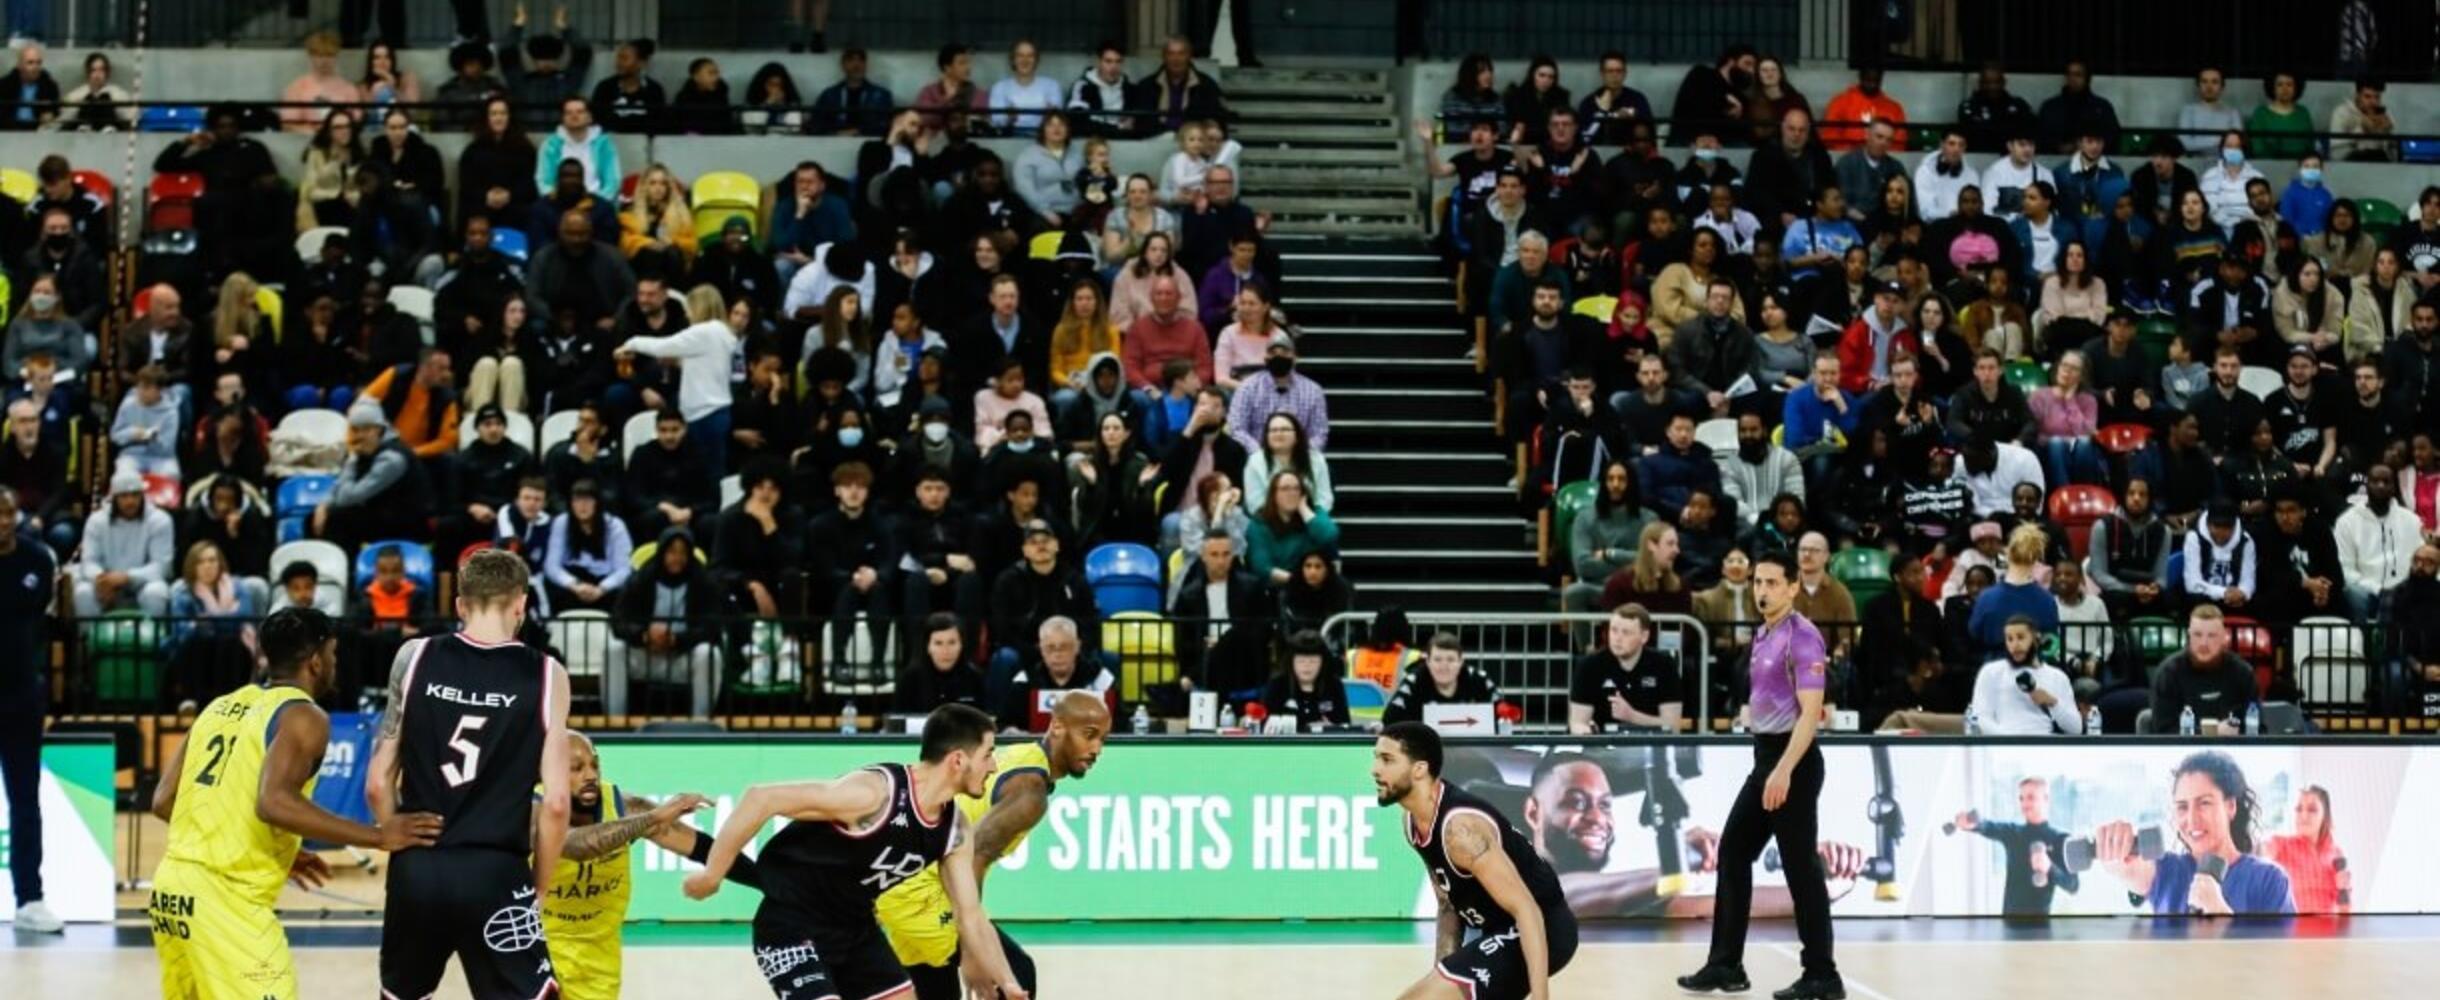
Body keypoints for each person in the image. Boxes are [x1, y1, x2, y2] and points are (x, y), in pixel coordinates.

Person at [145, 609, 441, 995]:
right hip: (226, 900)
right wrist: (378, 836)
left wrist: (259, 845)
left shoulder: (219, 705)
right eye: (333, 653)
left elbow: (164, 800)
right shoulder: (304, 716)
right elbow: (273, 801)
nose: (336, 663)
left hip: (172, 892)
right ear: (316, 660)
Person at [688, 705, 1029, 999]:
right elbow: (761, 798)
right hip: (792, 925)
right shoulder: (874, 794)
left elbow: (970, 916)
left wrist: (1008, 982)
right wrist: (713, 874)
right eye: (988, 754)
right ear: (958, 760)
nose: (993, 766)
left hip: (855, 930)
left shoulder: (954, 829)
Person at [365, 549, 571, 998]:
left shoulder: (414, 656)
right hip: (495, 871)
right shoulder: (547, 674)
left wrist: (393, 833)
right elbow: (556, 804)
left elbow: (377, 781)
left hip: (419, 865)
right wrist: (539, 888)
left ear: (460, 604)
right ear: (521, 604)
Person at [1676, 552, 1841, 1000]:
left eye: (1772, 582)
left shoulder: (1802, 637)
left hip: (1795, 761)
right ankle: (1726, 965)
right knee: (1732, 853)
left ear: (1792, 587)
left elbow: (1812, 715)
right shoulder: (1763, 634)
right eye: (1757, 582)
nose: (1762, 590)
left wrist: (1784, 770)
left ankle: (1823, 975)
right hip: (1766, 758)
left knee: (1801, 869)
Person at [1374, 721, 1577, 1000]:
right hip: (1499, 931)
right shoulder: (1413, 823)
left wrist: (1541, 996)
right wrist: (1441, 971)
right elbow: (1448, 906)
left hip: (1543, 928)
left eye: (1387, 760)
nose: (1375, 769)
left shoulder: (1461, 831)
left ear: (1419, 769)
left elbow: (1527, 908)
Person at [540, 732, 747, 1000]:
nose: (590, 775)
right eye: (577, 768)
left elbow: (702, 848)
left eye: (594, 764)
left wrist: (769, 882)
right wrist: (656, 816)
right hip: (539, 948)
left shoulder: (622, 806)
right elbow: (575, 845)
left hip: (599, 958)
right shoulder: (533, 809)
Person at [2095, 751, 2295, 915]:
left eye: (2204, 803)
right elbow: (2135, 871)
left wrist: (2221, 914)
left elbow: (2280, 959)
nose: (2191, 819)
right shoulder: (2167, 870)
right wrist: (2117, 859)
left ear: (2231, 806)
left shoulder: (2269, 880)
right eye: (2182, 807)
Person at [0, 487, 59, 931]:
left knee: (25, 799)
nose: (1, 523)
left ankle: (30, 898)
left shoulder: (38, 560)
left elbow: (38, 614)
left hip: (21, 697)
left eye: (6, 514)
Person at [1950, 778, 2080, 916]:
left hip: (2039, 931)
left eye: (2030, 797)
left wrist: (2049, 867)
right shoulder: (2013, 833)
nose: (2024, 803)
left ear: (2046, 799)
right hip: (2008, 926)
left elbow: (2073, 885)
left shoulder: (2061, 839)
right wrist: (1972, 824)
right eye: (2021, 798)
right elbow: (1988, 826)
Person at [1569, 604, 1684, 734]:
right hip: (1602, 747)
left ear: (1644, 636)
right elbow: (1577, 723)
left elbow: (1672, 726)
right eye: (1613, 630)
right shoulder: (1589, 665)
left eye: (1626, 632)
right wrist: (1586, 732)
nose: (1617, 638)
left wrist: (1632, 716)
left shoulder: (1664, 665)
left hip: (1650, 745)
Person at [2146, 605, 2258, 735]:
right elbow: (2162, 732)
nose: (2204, 643)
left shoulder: (2243, 673)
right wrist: (2213, 732)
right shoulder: (2168, 674)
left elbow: (2257, 728)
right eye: (2197, 635)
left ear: (2223, 637)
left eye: (2211, 636)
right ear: (2189, 635)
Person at [1966, 615, 2081, 734]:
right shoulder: (1991, 672)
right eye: (2009, 639)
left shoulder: (2057, 677)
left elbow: (2076, 729)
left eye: (2020, 638)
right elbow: (1981, 717)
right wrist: (2008, 740)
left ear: (2036, 639)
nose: (2015, 645)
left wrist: (2053, 703)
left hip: (2044, 745)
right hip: (2004, 745)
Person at [2260, 786, 2348, 915]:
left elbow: (2345, 913)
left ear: (2325, 816)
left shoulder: (2336, 853)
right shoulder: (2282, 844)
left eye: (2312, 810)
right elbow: (2261, 849)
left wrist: (2343, 889)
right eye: (2298, 809)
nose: (2303, 815)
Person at [1381, 633, 1503, 726]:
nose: (1444, 667)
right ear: (1427, 661)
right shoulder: (1414, 681)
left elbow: (1502, 717)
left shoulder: (1479, 680)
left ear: (1461, 662)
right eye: (1438, 660)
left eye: (1450, 660)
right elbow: (1390, 720)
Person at [1259, 630, 1352, 732]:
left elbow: (1345, 726)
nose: (1307, 666)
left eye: (1313, 661)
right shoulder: (1277, 685)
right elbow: (1263, 724)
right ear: (1291, 662)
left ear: (1322, 662)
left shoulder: (1334, 685)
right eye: (1301, 661)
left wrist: (1331, 728)